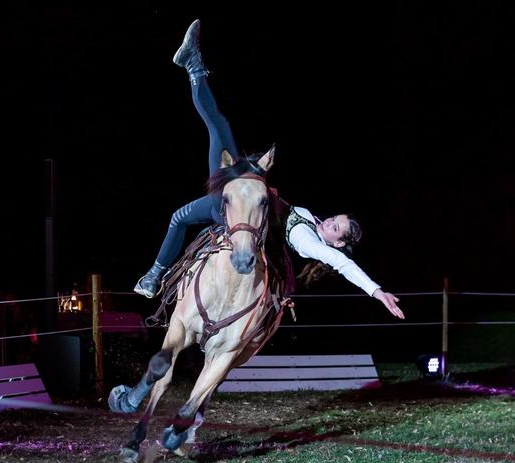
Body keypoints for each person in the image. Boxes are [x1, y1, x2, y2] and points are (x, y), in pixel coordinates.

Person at [134, 19, 404, 319]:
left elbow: (343, 264)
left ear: (338, 242)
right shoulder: (312, 222)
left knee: (214, 136)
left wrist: (376, 291)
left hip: (233, 208)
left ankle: (193, 65)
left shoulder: (309, 243)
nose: (329, 222)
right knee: (216, 132)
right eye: (334, 218)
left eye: (335, 228)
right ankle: (153, 275)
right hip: (245, 193)